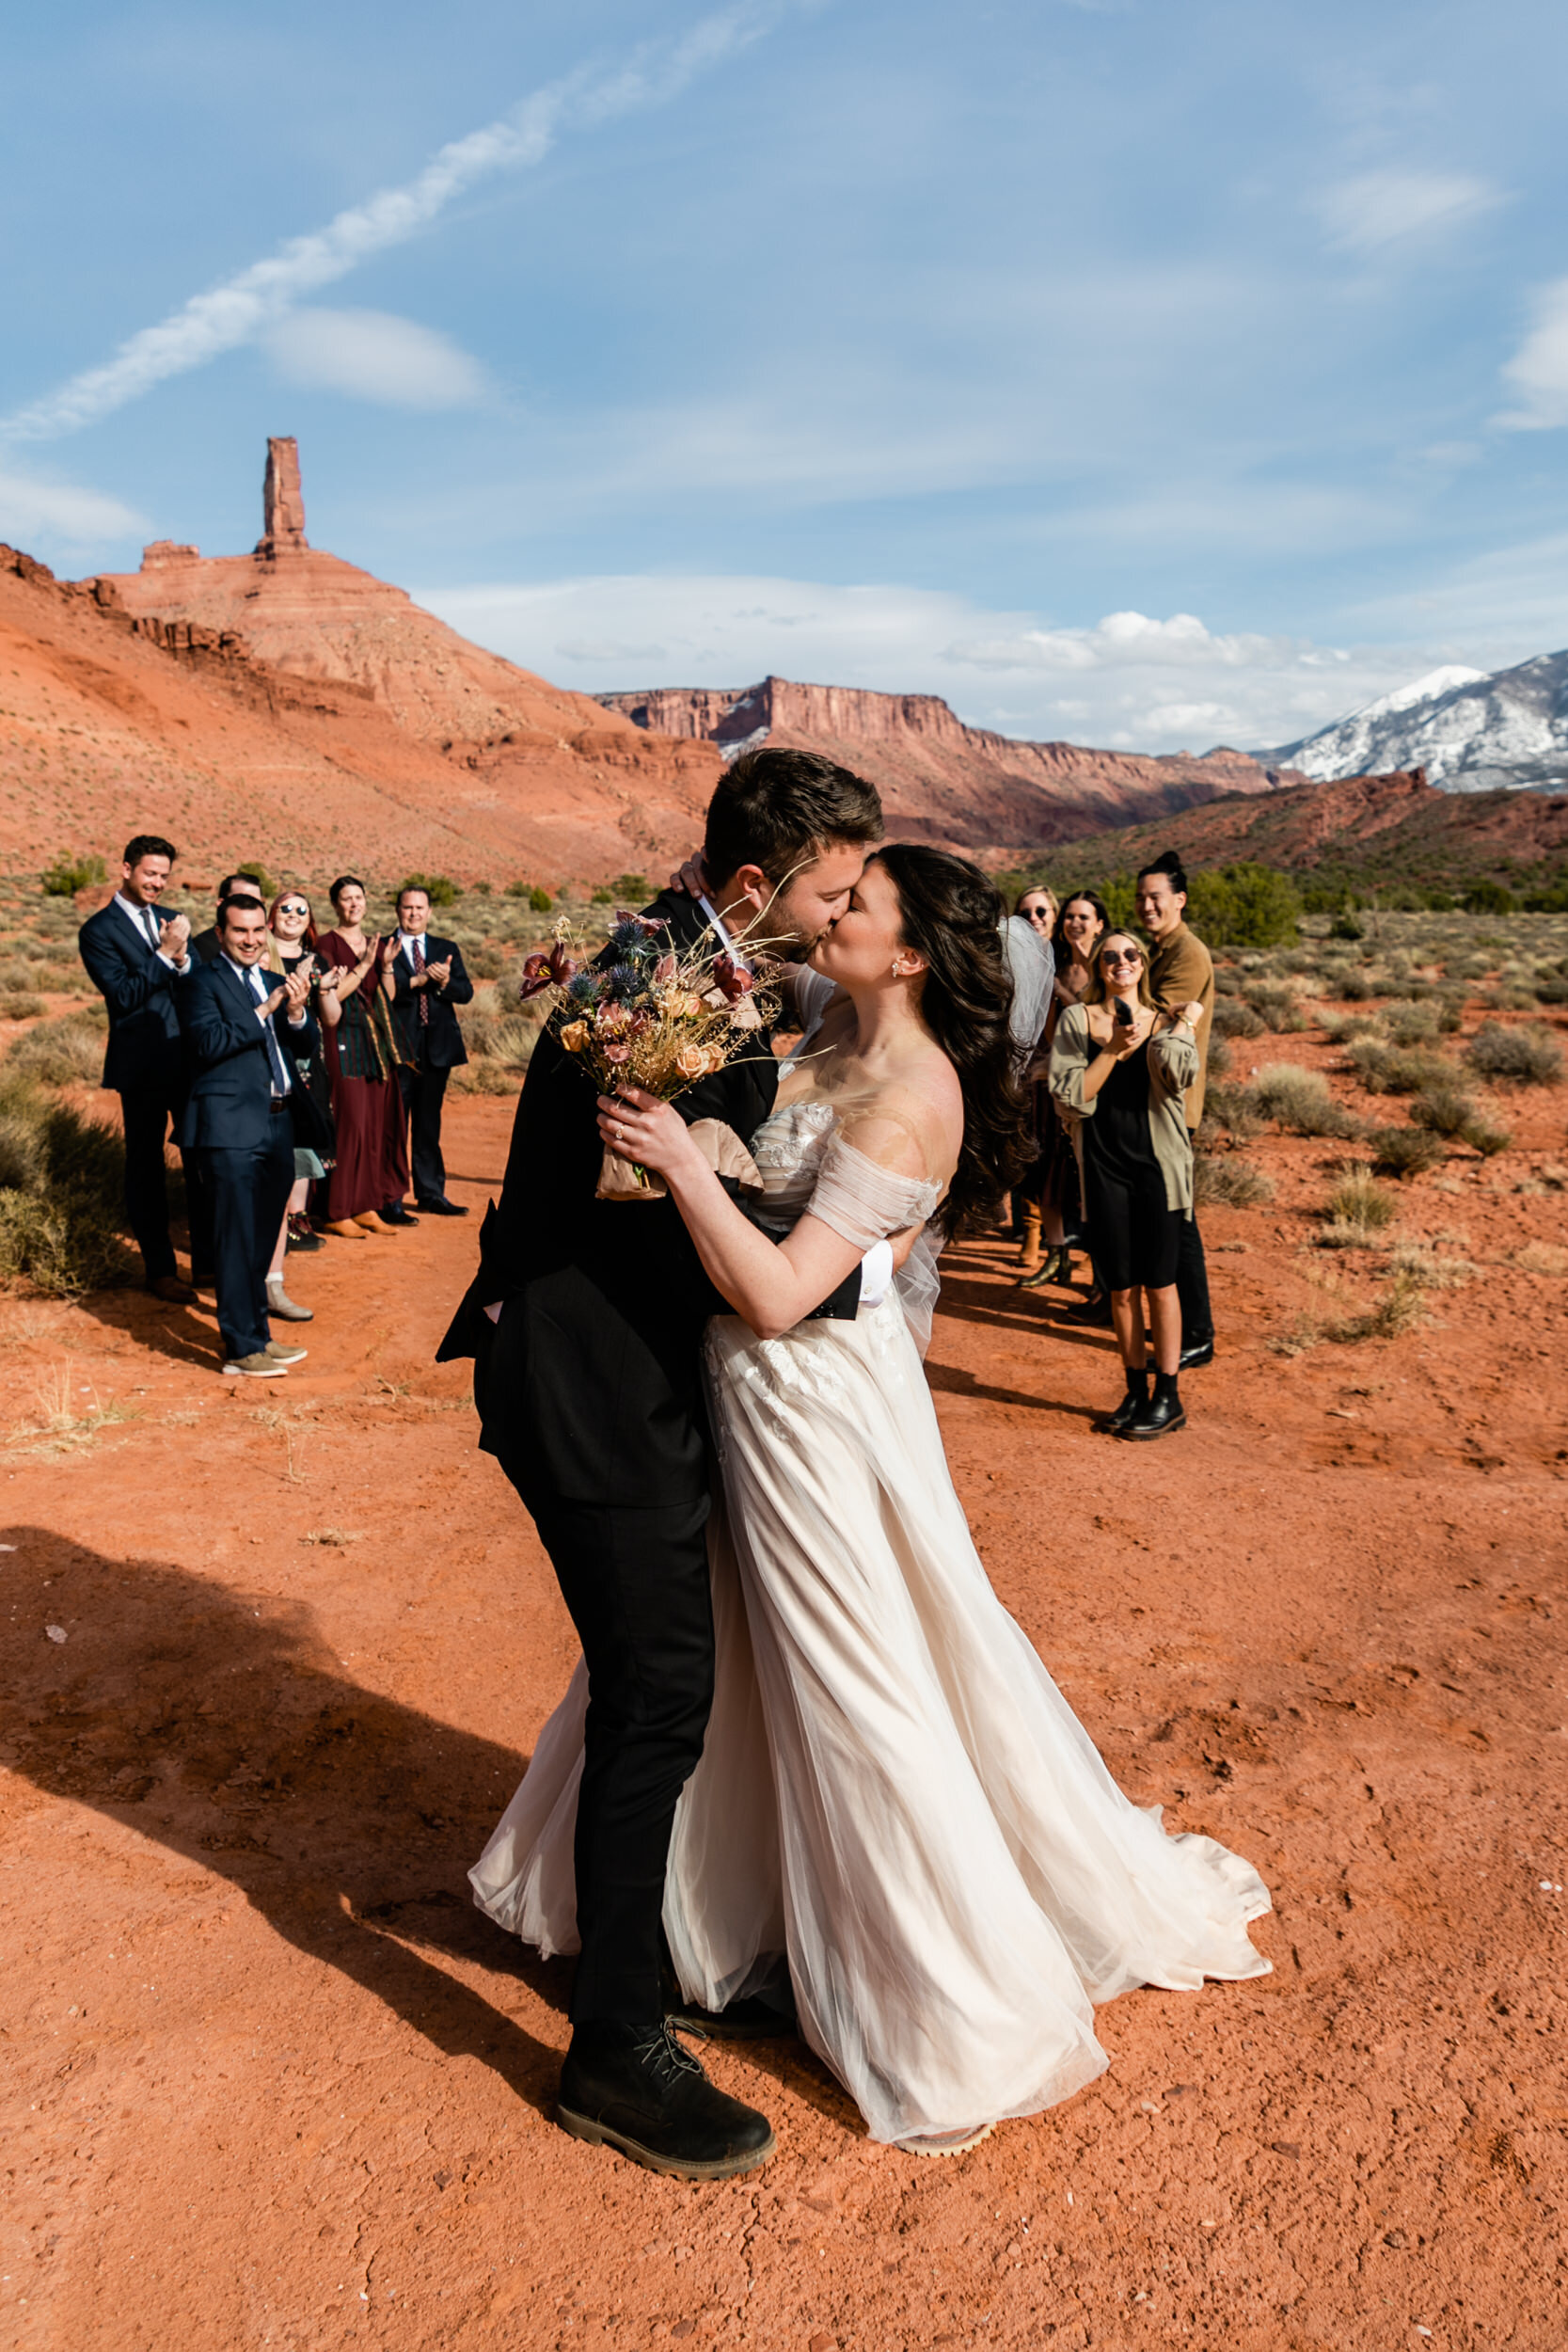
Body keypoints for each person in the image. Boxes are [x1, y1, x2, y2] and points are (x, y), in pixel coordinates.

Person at [472, 848, 1271, 2158]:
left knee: (852, 1679)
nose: (826, 913)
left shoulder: (912, 1092)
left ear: (904, 952)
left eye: (854, 905)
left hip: (808, 1415)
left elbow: (786, 1293)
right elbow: (774, 1187)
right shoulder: (821, 1027)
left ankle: (938, 1992)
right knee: (730, 1670)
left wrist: (679, 1162)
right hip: (735, 1398)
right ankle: (743, 1930)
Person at [441, 746, 885, 2181]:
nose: (834, 921)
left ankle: (629, 1952)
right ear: (754, 885)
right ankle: (611, 2055)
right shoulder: (646, 991)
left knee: (656, 1692)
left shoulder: (676, 965)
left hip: (615, 1371)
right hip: (597, 1393)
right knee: (658, 1700)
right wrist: (835, 1279)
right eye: (824, 895)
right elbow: (639, 1221)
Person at [1048, 931, 1205, 1440]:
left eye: (1131, 954)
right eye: (1110, 956)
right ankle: (1135, 1390)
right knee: (1119, 1289)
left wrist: (1183, 1022)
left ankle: (1169, 1396)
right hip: (1103, 1168)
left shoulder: (1165, 1022)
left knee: (1161, 1285)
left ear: (1143, 965)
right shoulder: (1079, 1020)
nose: (1121, 962)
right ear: (1099, 965)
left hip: (1158, 1170)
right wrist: (1113, 1051)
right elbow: (1069, 1098)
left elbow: (1182, 1074)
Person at [178, 895, 316, 1378]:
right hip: (228, 1127)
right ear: (221, 933)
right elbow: (208, 1043)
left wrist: (296, 1013)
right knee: (233, 1238)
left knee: (260, 1240)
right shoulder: (200, 983)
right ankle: (239, 1348)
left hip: (277, 1122)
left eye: (258, 930)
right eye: (241, 931)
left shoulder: (277, 981)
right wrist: (265, 1009)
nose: (252, 939)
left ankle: (258, 1334)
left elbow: (305, 1045)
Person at [77, 833, 210, 1304]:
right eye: (150, 873)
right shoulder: (98, 930)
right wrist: (162, 953)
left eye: (164, 876)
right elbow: (123, 995)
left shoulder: (166, 920)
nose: (157, 883)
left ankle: (210, 1264)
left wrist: (183, 959)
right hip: (142, 1065)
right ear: (127, 870)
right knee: (147, 1167)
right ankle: (160, 1270)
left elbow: (186, 985)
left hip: (185, 1058)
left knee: (201, 1156)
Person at [1136, 852, 1216, 1370]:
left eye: (1156, 898)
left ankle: (1198, 1332)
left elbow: (1152, 1018)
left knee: (1178, 1221)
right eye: (1141, 898)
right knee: (1162, 1217)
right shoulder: (1159, 949)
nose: (1146, 906)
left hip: (1173, 1109)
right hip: (1153, 1104)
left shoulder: (1187, 954)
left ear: (1179, 900)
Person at [1020, 889, 1108, 1294]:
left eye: (1083, 917)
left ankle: (1102, 1271)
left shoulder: (1111, 967)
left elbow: (1099, 1026)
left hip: (1095, 1086)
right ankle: (1057, 1258)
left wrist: (1059, 989)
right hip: (1049, 1084)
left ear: (1099, 924)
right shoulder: (1053, 962)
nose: (1074, 923)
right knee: (1048, 1169)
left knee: (1089, 1177)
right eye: (1069, 916)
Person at [314, 876, 409, 1239]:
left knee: (374, 1124)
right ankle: (337, 1208)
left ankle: (367, 1205)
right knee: (350, 1124)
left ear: (367, 901)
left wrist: (383, 966)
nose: (354, 904)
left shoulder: (377, 943)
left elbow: (385, 995)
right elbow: (333, 996)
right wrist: (365, 964)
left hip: (375, 1044)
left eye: (359, 897)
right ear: (335, 905)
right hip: (342, 1039)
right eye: (346, 899)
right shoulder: (325, 945)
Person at [384, 884, 473, 1217]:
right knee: (394, 1123)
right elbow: (380, 991)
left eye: (420, 908)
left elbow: (466, 993)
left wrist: (447, 981)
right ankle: (390, 1196)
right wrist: (416, 981)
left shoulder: (444, 947)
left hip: (436, 1048)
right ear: (398, 910)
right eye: (408, 907)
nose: (414, 914)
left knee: (427, 1123)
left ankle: (431, 1193)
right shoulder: (383, 947)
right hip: (398, 1048)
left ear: (429, 912)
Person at [1007, 887, 1056, 1269]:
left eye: (1042, 910)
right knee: (1023, 1145)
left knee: (1054, 1154)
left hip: (1061, 1073)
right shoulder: (1009, 957)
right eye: (1026, 912)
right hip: (1022, 1068)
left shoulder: (1069, 961)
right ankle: (1029, 1228)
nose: (1035, 916)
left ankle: (1047, 1234)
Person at [192, 871, 268, 965]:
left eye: (256, 902)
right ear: (220, 904)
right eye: (241, 901)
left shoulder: (269, 945)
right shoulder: (203, 946)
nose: (250, 941)